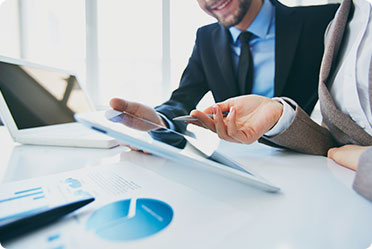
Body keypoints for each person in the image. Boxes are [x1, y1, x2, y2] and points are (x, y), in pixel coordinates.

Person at [189, 0, 372, 201]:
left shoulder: (323, 19)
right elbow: (182, 97)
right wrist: (279, 115)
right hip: (240, 178)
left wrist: (365, 161)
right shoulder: (350, 15)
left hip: (317, 186)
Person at [110, 0, 339, 148]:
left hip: (302, 163)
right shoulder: (206, 38)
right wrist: (159, 122)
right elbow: (182, 100)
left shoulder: (323, 22)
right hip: (233, 164)